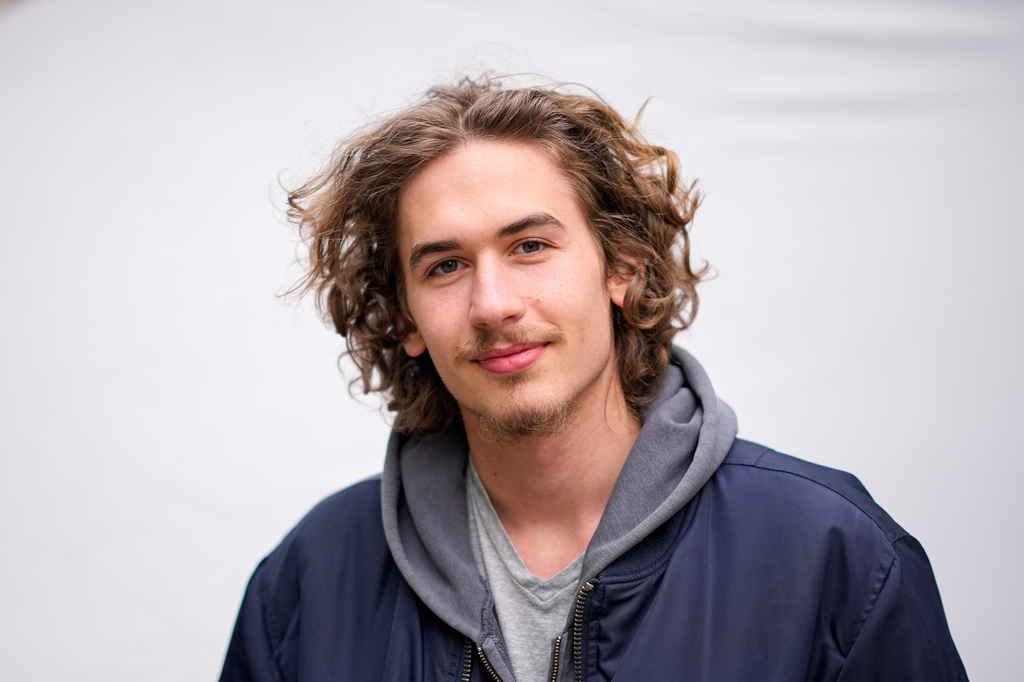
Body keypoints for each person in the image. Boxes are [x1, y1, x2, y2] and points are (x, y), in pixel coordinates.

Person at [219, 78, 967, 681]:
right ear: (406, 317)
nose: (493, 305)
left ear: (623, 268)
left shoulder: (835, 557)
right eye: (444, 266)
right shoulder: (307, 582)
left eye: (531, 245)